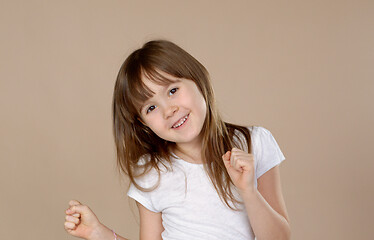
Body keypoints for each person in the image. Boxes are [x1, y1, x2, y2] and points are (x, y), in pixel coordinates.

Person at [64, 40, 291, 240]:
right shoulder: (151, 172)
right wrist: (98, 233)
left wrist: (249, 191)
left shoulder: (253, 142)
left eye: (172, 90)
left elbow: (280, 238)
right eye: (151, 107)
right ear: (143, 123)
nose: (169, 110)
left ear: (198, 79)